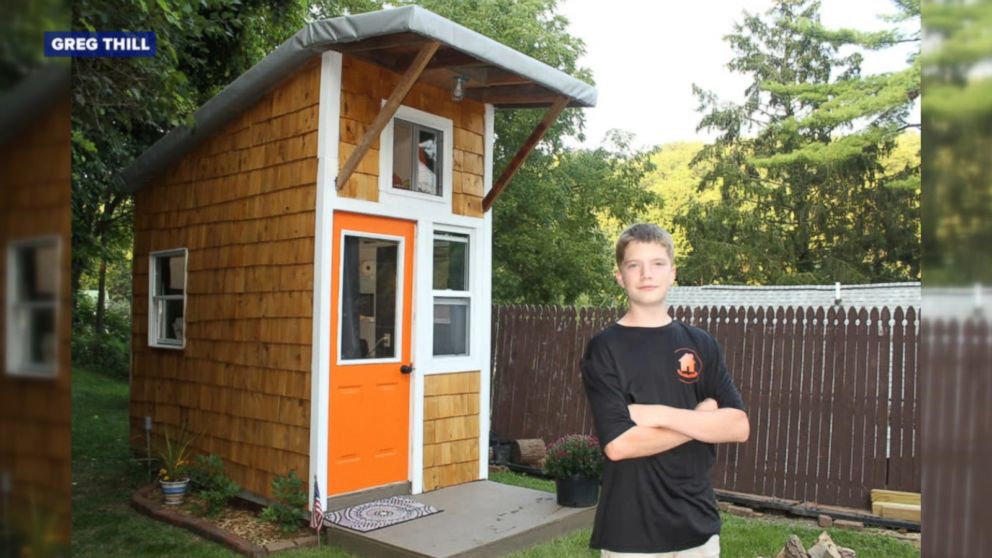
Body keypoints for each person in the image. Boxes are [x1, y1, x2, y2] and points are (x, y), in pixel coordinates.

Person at [581, 223, 750, 557]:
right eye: (634, 265)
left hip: (697, 527)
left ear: (672, 272)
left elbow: (738, 426)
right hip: (631, 532)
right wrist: (701, 422)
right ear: (620, 276)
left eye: (657, 263)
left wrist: (658, 415)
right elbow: (619, 445)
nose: (647, 274)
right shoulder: (604, 349)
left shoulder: (701, 344)